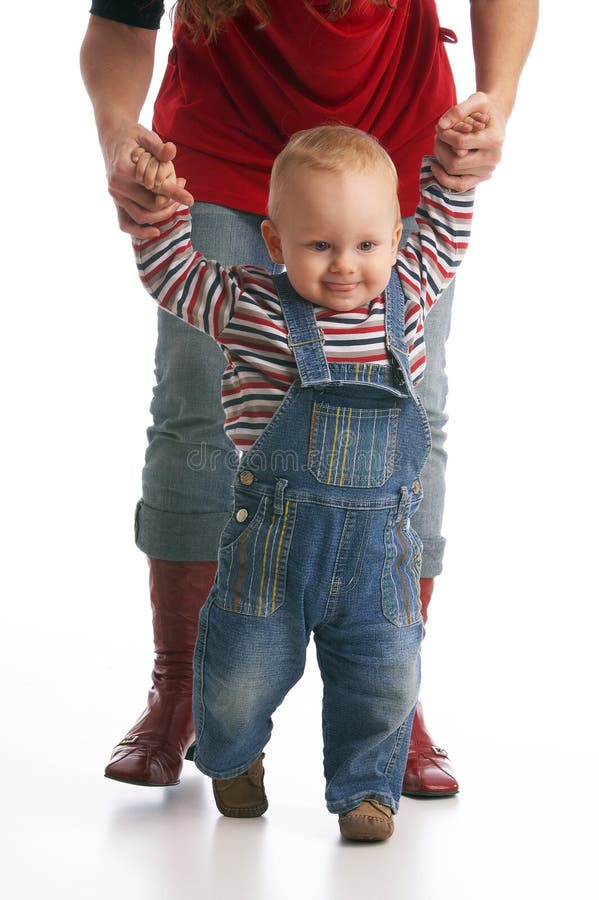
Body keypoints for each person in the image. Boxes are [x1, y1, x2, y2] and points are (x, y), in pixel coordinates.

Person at [80, 0, 538, 795]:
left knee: (410, 403)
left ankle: (393, 699)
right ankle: (183, 683)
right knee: (196, 409)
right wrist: (121, 132)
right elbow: (120, 21)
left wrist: (493, 100)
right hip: (222, 137)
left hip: (389, 148)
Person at [131, 124, 475, 840]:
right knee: (237, 674)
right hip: (271, 556)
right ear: (275, 242)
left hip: (380, 557)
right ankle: (231, 756)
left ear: (393, 239)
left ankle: (365, 792)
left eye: (366, 245)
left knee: (382, 679)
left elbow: (443, 229)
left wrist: (452, 174)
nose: (346, 266)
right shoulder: (246, 303)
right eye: (320, 246)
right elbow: (172, 273)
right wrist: (157, 210)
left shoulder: (408, 293)